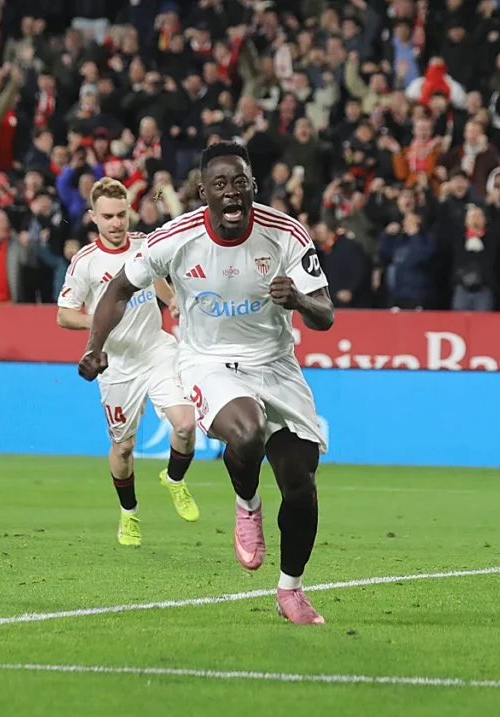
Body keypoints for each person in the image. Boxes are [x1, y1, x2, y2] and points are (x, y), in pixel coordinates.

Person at [79, 142, 334, 625]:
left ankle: (291, 591)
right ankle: (247, 503)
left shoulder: (285, 233)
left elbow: (326, 315)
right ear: (203, 192)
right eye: (220, 184)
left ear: (253, 187)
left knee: (301, 485)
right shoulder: (176, 238)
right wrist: (96, 344)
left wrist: (299, 300)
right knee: (248, 432)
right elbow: (118, 289)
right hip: (208, 362)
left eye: (240, 182)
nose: (232, 192)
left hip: (277, 364)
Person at [57, 177, 198, 547]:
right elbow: (64, 314)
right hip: (117, 365)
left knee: (186, 425)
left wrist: (171, 298)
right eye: (108, 216)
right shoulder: (86, 262)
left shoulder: (144, 245)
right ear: (93, 217)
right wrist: (99, 321)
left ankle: (175, 479)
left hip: (156, 350)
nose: (117, 223)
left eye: (121, 214)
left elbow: (156, 279)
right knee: (123, 448)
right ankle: (129, 513)